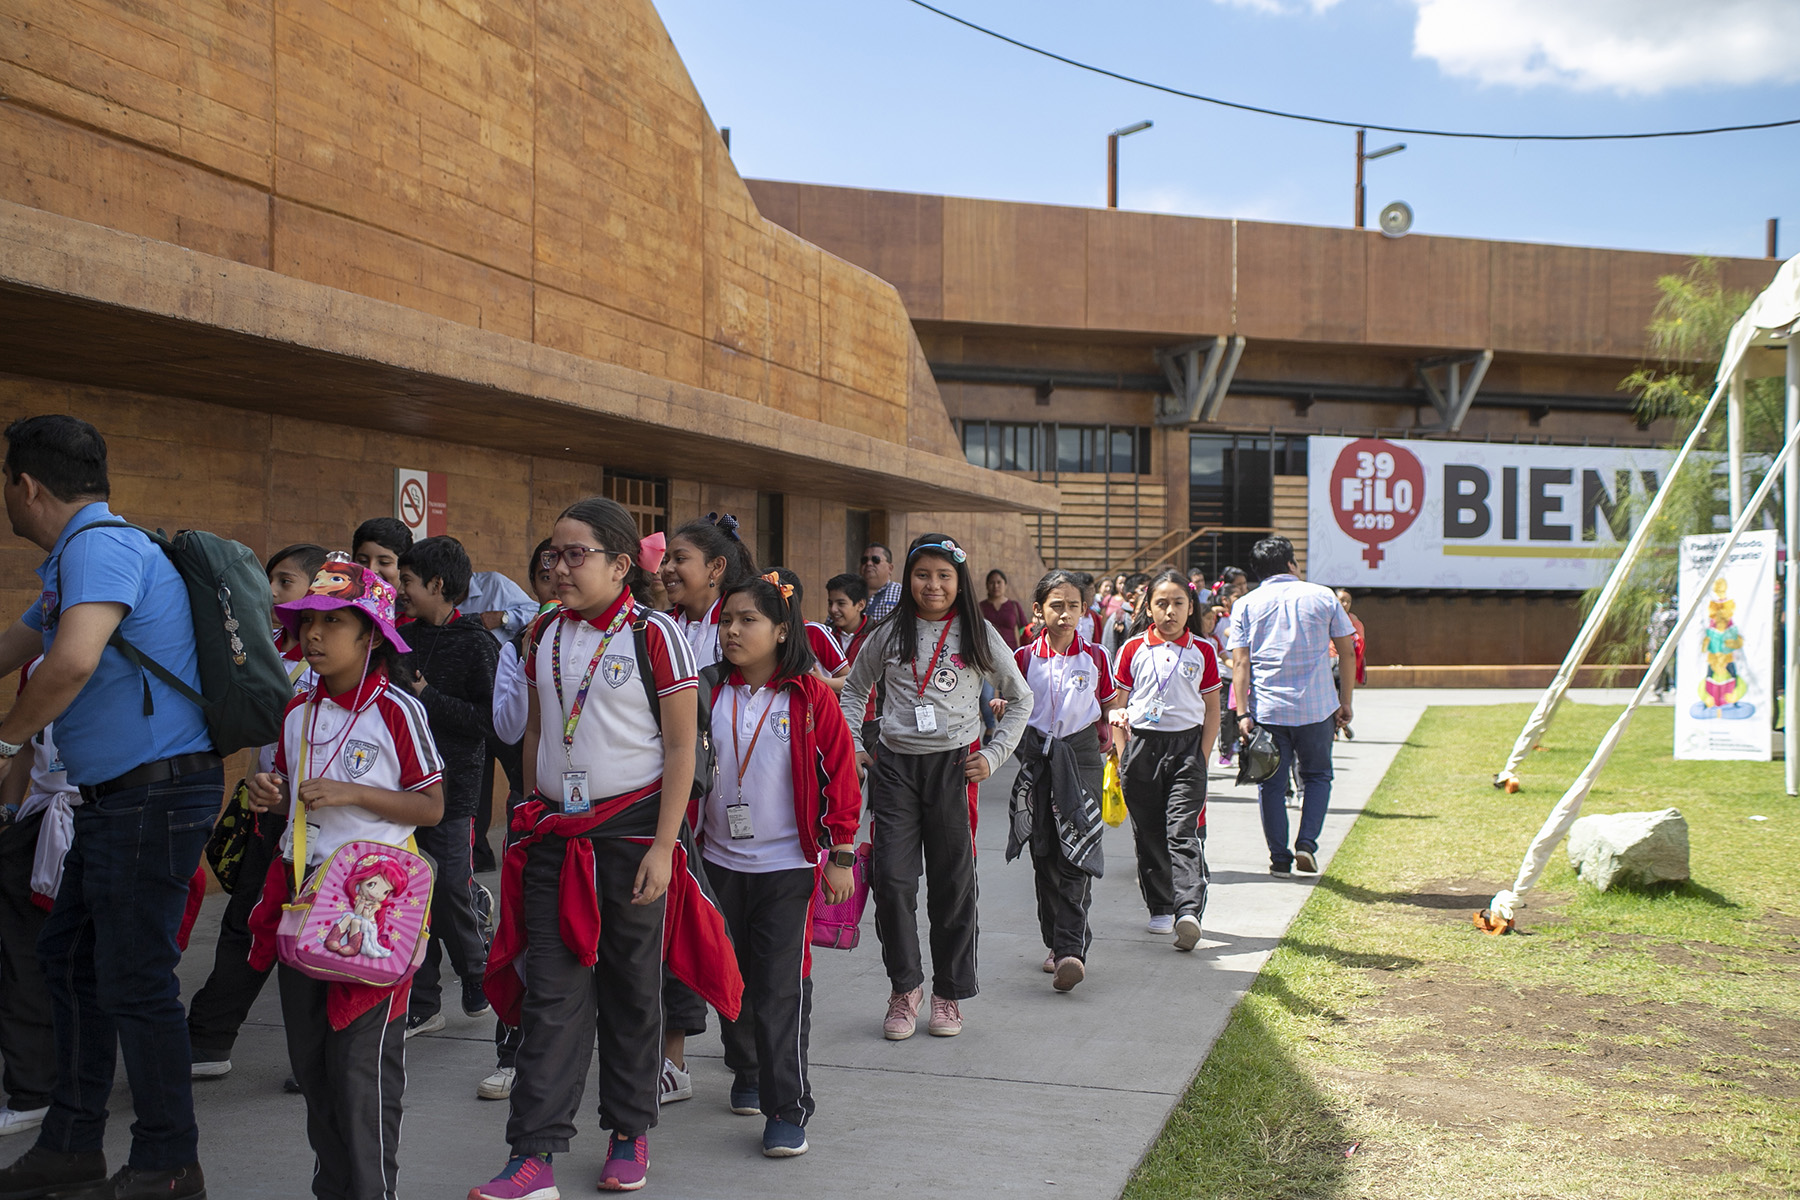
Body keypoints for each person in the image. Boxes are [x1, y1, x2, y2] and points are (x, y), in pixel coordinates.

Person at [473, 497, 731, 1198]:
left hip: (633, 839)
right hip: (555, 838)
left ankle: (628, 1131)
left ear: (621, 565)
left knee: (630, 991)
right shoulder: (540, 635)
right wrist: (528, 812)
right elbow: (532, 732)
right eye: (553, 554)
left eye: (575, 554)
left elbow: (683, 747)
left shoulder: (655, 637)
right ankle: (533, 1155)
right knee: (550, 996)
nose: (559, 567)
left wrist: (663, 847)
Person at [0, 415, 218, 1200]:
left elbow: (71, 662)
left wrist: (3, 746)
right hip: (117, 798)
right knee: (71, 960)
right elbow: (19, 647)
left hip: (152, 794)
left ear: (26, 485)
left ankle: (169, 1160)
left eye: (6, 485)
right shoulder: (75, 558)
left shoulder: (102, 546)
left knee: (133, 978)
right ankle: (72, 1144)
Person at [243, 562, 445, 1200]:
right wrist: (267, 794)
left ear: (371, 637)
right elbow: (291, 800)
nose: (315, 635)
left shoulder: (398, 710)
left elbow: (433, 806)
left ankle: (371, 1191)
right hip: (304, 903)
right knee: (312, 1067)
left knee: (362, 1071)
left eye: (334, 622)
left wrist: (351, 792)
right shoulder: (296, 709)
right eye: (308, 621)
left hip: (377, 911)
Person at [839, 533, 1032, 1040]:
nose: (933, 585)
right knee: (893, 882)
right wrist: (855, 746)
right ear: (908, 578)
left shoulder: (979, 633)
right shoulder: (887, 632)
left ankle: (947, 993)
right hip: (896, 770)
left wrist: (993, 755)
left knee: (953, 887)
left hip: (955, 770)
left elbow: (1021, 698)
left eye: (944, 575)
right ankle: (905, 989)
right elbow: (856, 689)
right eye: (923, 574)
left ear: (958, 581)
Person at [697, 574, 860, 1157]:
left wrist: (840, 855)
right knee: (730, 978)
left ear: (780, 630)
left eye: (748, 620)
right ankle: (745, 1067)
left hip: (789, 866)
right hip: (716, 862)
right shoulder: (709, 689)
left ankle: (787, 1106)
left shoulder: (810, 697)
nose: (733, 630)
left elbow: (842, 777)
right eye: (727, 620)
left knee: (780, 987)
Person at [187, 542, 330, 1082]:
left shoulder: (338, 665)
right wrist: (253, 776)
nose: (272, 593)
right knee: (246, 924)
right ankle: (207, 1040)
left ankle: (321, 1057)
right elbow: (259, 733)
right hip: (270, 815)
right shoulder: (263, 647)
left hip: (329, 826)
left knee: (319, 934)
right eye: (269, 581)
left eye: (286, 581)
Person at [654, 512, 756, 1101]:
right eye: (665, 558)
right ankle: (672, 1062)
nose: (665, 569)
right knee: (672, 931)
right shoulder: (657, 627)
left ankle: (748, 1064)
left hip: (730, 812)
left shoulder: (741, 624)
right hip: (672, 805)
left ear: (716, 569)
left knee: (727, 937)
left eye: (679, 559)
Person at [394, 535, 498, 1035]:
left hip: (455, 792)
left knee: (452, 888)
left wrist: (427, 696)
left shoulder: (478, 643)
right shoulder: (398, 637)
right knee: (410, 892)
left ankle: (477, 974)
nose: (401, 590)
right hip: (401, 789)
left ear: (437, 585)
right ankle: (424, 997)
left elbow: (489, 721)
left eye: (409, 581)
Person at [478, 538, 563, 1104]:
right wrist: (519, 661)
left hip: (618, 817)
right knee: (528, 934)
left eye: (575, 559)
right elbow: (512, 729)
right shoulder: (526, 643)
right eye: (548, 566)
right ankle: (514, 1051)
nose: (560, 573)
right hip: (540, 813)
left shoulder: (642, 636)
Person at [1010, 570, 1119, 993]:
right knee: (1045, 852)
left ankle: (1071, 950)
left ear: (1083, 610)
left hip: (1082, 757)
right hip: (1037, 757)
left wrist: (1116, 745)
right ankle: (1057, 942)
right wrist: (1004, 705)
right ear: (1039, 610)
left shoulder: (1095, 657)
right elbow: (1014, 702)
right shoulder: (1022, 659)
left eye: (1073, 605)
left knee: (1078, 847)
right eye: (1056, 605)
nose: (1065, 613)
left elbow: (1110, 707)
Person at [1228, 536, 1356, 878]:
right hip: (1317, 708)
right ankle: (1307, 844)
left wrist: (1242, 713)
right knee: (1317, 776)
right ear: (1290, 564)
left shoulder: (1245, 604)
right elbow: (1347, 652)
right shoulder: (1322, 596)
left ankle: (1279, 859)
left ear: (1257, 571)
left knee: (1269, 783)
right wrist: (1345, 702)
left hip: (1268, 711)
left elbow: (1240, 664)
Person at [1110, 570, 1220, 952]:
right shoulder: (1132, 648)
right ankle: (1160, 906)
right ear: (1149, 607)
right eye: (1161, 603)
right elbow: (1118, 706)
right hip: (1141, 748)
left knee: (1182, 830)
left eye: (1178, 603)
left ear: (1191, 608)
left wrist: (1201, 758)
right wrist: (1125, 757)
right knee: (1149, 832)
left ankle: (1188, 909)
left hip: (1187, 750)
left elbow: (1212, 712)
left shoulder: (1203, 651)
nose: (1169, 611)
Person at [0, 665, 74, 1138]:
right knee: (23, 960)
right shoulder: (39, 663)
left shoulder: (150, 642)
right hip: (42, 823)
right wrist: (7, 813)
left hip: (118, 819)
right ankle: (32, 1090)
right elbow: (25, 742)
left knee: (120, 968)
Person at [1329, 589, 1367, 741]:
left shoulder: (1354, 621)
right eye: (1341, 600)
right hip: (1329, 660)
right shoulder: (1327, 618)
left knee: (1342, 694)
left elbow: (1359, 643)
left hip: (1345, 662)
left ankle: (1339, 725)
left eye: (1348, 601)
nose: (1344, 604)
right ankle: (1337, 727)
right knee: (1331, 695)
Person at [352, 517, 412, 589]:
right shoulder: (338, 598)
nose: (371, 570)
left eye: (384, 562)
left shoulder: (418, 599)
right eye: (363, 561)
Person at [859, 543, 902, 623]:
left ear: (890, 568)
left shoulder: (902, 593)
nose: (868, 563)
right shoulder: (850, 592)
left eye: (876, 559)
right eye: (864, 560)